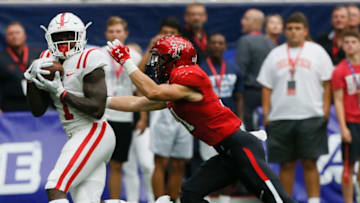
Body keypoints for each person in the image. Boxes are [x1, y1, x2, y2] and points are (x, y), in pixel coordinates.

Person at [106, 35, 295, 202]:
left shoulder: (190, 77)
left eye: (162, 59)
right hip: (225, 153)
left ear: (176, 60)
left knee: (277, 199)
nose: (157, 65)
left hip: (240, 147)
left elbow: (152, 91)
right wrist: (100, 101)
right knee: (190, 194)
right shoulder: (175, 90)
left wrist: (126, 62)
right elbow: (136, 103)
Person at [24, 12, 116, 203]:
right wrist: (32, 80)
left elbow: (97, 109)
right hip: (75, 134)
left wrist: (61, 93)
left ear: (80, 36)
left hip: (94, 131)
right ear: (50, 39)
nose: (64, 41)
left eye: (69, 35)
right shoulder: (46, 59)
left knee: (55, 185)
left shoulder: (90, 57)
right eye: (59, 36)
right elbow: (37, 111)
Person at [257, 12, 333, 203]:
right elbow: (266, 86)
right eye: (290, 28)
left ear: (305, 31)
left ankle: (314, 201)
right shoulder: (275, 54)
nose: (293, 32)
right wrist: (266, 113)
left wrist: (325, 110)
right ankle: (285, 200)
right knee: (286, 164)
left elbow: (327, 83)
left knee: (310, 162)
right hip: (281, 116)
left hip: (311, 115)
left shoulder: (318, 52)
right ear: (285, 31)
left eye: (298, 28)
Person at [139, 17, 193, 202]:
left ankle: (174, 199)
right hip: (162, 109)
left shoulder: (186, 51)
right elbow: (139, 73)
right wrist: (150, 48)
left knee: (179, 163)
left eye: (171, 33)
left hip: (184, 108)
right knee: (160, 161)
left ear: (178, 35)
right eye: (164, 32)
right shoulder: (156, 53)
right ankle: (158, 200)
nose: (168, 36)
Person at [100, 16, 152, 202]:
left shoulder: (134, 56)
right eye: (112, 31)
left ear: (125, 34)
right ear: (106, 33)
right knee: (96, 163)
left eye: (119, 31)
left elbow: (141, 88)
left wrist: (143, 117)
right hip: (102, 115)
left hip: (124, 116)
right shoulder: (98, 54)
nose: (115, 34)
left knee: (118, 164)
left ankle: (115, 200)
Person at [199, 32, 244, 203]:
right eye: (214, 43)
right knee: (210, 163)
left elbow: (239, 96)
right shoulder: (200, 70)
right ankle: (210, 198)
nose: (217, 46)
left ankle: (225, 199)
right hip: (206, 124)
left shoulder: (234, 69)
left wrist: (240, 120)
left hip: (229, 124)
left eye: (221, 43)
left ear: (225, 46)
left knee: (230, 162)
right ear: (208, 46)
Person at [331, 29, 360, 203]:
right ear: (342, 45)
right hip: (351, 122)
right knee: (348, 167)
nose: (350, 45)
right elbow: (338, 100)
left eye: (353, 42)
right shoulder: (340, 70)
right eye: (346, 42)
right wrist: (342, 127)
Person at [236, 8, 275, 131]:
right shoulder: (271, 43)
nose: (242, 21)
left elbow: (240, 70)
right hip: (269, 94)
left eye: (245, 19)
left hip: (249, 95)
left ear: (254, 22)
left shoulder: (245, 41)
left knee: (251, 132)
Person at [0, 22, 41, 112]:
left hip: (38, 103)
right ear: (6, 38)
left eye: (17, 33)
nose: (14, 36)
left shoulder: (38, 54)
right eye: (11, 34)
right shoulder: (1, 58)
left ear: (24, 36)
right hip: (10, 106)